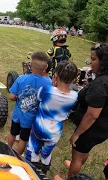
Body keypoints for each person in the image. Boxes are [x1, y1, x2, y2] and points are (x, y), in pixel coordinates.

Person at [55, 44, 108, 179]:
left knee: (78, 153)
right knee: (85, 149)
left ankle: (71, 176)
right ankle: (75, 164)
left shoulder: (101, 84)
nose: (90, 62)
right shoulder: (103, 79)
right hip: (102, 128)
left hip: (92, 128)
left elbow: (92, 115)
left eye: (93, 59)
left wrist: (77, 134)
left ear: (103, 61)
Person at [25, 61, 78, 174]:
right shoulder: (74, 96)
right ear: (73, 80)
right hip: (55, 133)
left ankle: (30, 168)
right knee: (46, 152)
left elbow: (38, 98)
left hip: (39, 128)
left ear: (55, 75)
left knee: (33, 149)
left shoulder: (47, 90)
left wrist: (53, 83)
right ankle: (43, 170)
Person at [7, 52, 52, 155]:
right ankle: (18, 156)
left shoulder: (21, 79)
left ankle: (7, 150)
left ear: (31, 64)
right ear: (46, 67)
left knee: (13, 133)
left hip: (18, 115)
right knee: (24, 138)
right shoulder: (48, 83)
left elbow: (11, 96)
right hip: (31, 119)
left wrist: (18, 97)